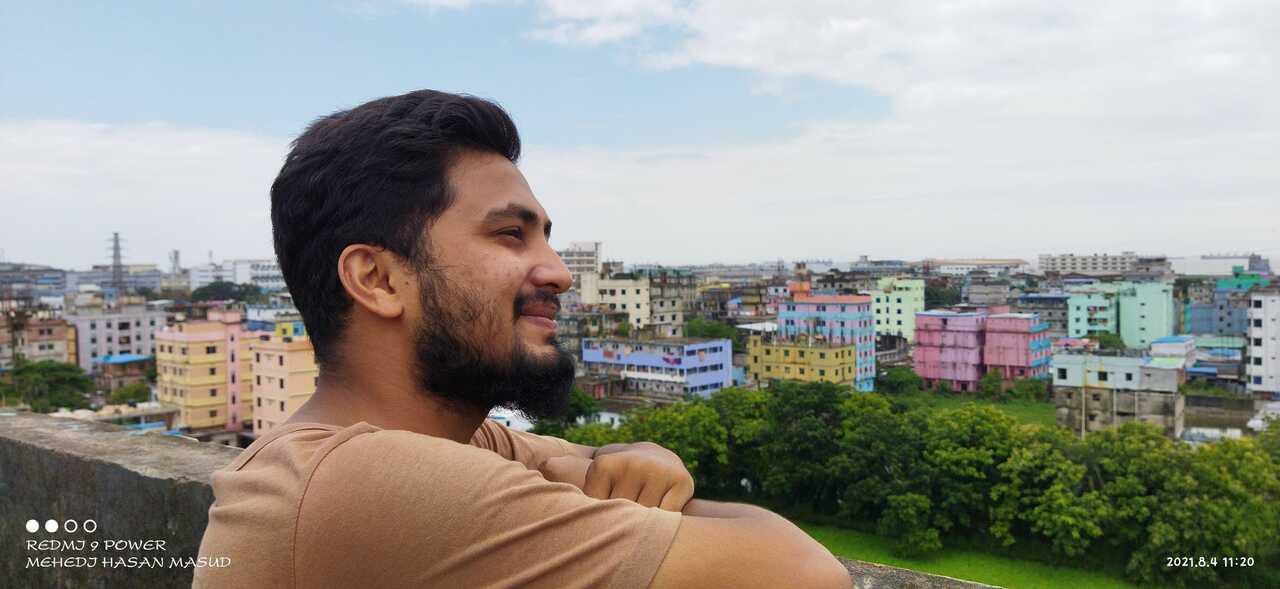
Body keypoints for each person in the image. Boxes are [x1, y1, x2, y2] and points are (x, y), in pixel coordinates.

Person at [194, 89, 849, 589]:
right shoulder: (356, 481)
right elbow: (804, 572)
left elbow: (577, 462)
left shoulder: (458, 439)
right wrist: (615, 473)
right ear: (378, 279)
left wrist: (629, 456)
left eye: (546, 237)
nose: (558, 272)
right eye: (511, 234)